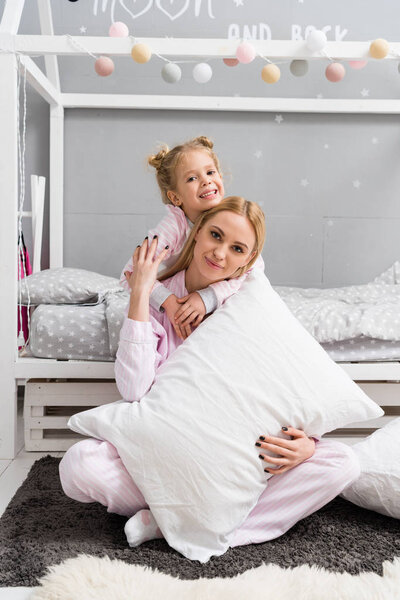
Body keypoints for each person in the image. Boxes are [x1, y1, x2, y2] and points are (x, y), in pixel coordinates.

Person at [59, 197, 360, 551]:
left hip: (236, 460)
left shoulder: (249, 306)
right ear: (197, 232)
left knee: (342, 463)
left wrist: (307, 446)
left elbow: (284, 386)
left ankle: (186, 526)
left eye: (236, 248)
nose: (220, 253)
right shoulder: (159, 301)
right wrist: (141, 293)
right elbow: (134, 390)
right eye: (215, 235)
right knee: (80, 464)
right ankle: (193, 520)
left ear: (248, 261)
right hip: (168, 452)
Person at [120, 136, 264, 340]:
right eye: (192, 178)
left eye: (210, 172)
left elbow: (255, 270)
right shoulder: (173, 227)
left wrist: (207, 297)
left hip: (203, 297)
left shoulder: (232, 217)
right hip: (172, 296)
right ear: (176, 197)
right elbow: (131, 272)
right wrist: (168, 302)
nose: (206, 180)